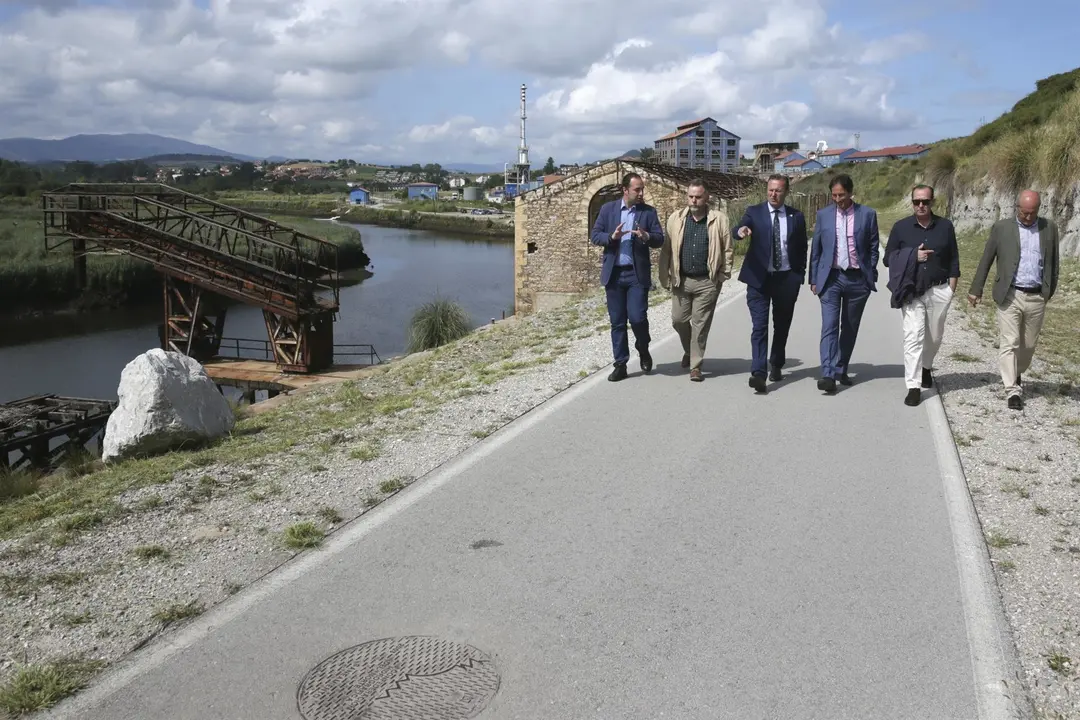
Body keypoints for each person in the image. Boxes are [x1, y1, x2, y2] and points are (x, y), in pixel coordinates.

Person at [967, 189, 1060, 410]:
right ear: (1016, 207)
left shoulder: (1049, 229)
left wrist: (1049, 291)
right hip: (1010, 294)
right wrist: (975, 289)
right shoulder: (1002, 228)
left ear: (1038, 209)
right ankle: (1012, 390)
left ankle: (1017, 372)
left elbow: (1054, 263)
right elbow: (986, 258)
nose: (1027, 217)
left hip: (1036, 296)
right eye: (1024, 212)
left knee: (1028, 346)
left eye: (1032, 212)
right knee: (1010, 342)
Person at [883, 184, 960, 407]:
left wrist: (952, 285)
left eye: (925, 202)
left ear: (932, 202)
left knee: (934, 337)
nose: (920, 205)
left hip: (939, 289)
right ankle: (914, 386)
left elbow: (953, 257)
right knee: (912, 337)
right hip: (911, 290)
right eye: (916, 201)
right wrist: (912, 256)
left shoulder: (945, 226)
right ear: (912, 202)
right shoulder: (901, 227)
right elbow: (888, 258)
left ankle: (926, 366)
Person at [733, 174, 808, 393]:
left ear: (786, 192)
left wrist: (799, 275)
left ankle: (776, 362)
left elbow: (802, 248)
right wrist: (740, 231)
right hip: (759, 279)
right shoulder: (754, 212)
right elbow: (739, 228)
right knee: (759, 326)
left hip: (786, 279)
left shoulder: (796, 217)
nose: (774, 194)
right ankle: (758, 372)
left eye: (778, 190)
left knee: (781, 325)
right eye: (771, 190)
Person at [589, 172, 665, 382]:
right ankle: (620, 364)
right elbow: (595, 235)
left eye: (642, 189)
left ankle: (643, 347)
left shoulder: (648, 212)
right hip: (613, 274)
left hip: (636, 275)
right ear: (625, 190)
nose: (641, 193)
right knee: (617, 322)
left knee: (638, 317)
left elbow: (660, 239)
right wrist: (611, 237)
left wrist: (647, 236)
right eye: (637, 189)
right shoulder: (608, 210)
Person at [808, 173, 880, 393]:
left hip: (858, 279)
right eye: (834, 195)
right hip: (831, 278)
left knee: (849, 328)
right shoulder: (823, 215)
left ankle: (841, 368)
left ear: (851, 193)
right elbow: (817, 249)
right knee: (829, 326)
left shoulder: (867, 214)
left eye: (842, 195)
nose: (837, 199)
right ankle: (828, 374)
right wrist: (813, 278)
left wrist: (871, 271)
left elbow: (873, 246)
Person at [658, 179, 733, 382]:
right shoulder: (676, 219)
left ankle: (696, 366)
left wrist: (722, 275)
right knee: (678, 320)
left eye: (698, 197)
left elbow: (727, 249)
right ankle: (689, 350)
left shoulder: (719, 219)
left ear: (706, 197)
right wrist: (664, 276)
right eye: (691, 196)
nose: (694, 200)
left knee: (700, 325)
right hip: (681, 280)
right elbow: (666, 250)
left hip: (707, 281)